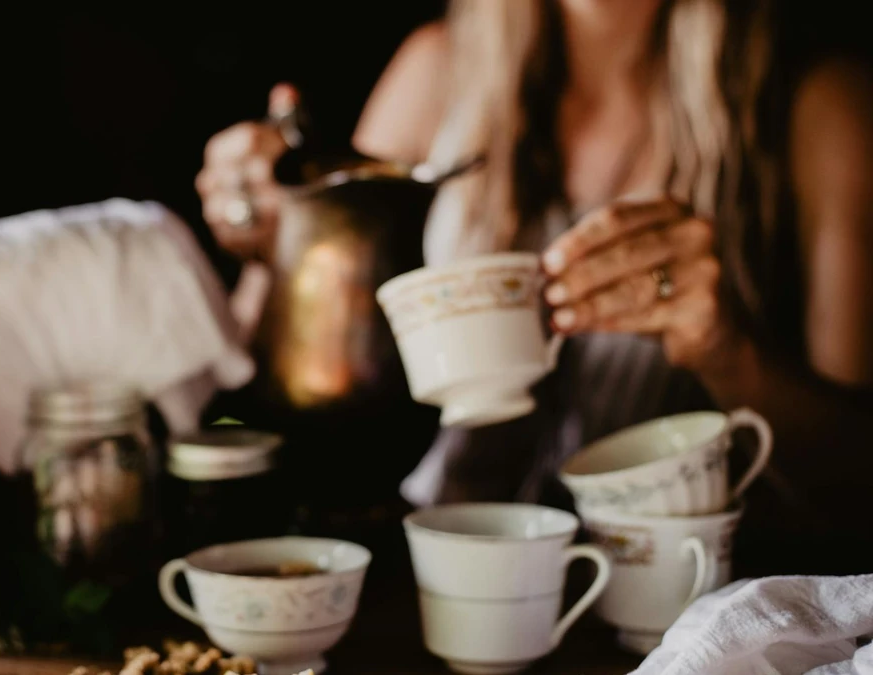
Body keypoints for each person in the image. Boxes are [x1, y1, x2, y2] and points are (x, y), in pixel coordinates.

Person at [195, 0, 873, 575]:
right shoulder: (438, 72)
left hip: (672, 605)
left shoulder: (816, 110)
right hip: (432, 575)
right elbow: (250, 381)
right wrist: (274, 242)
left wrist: (730, 353)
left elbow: (852, 496)